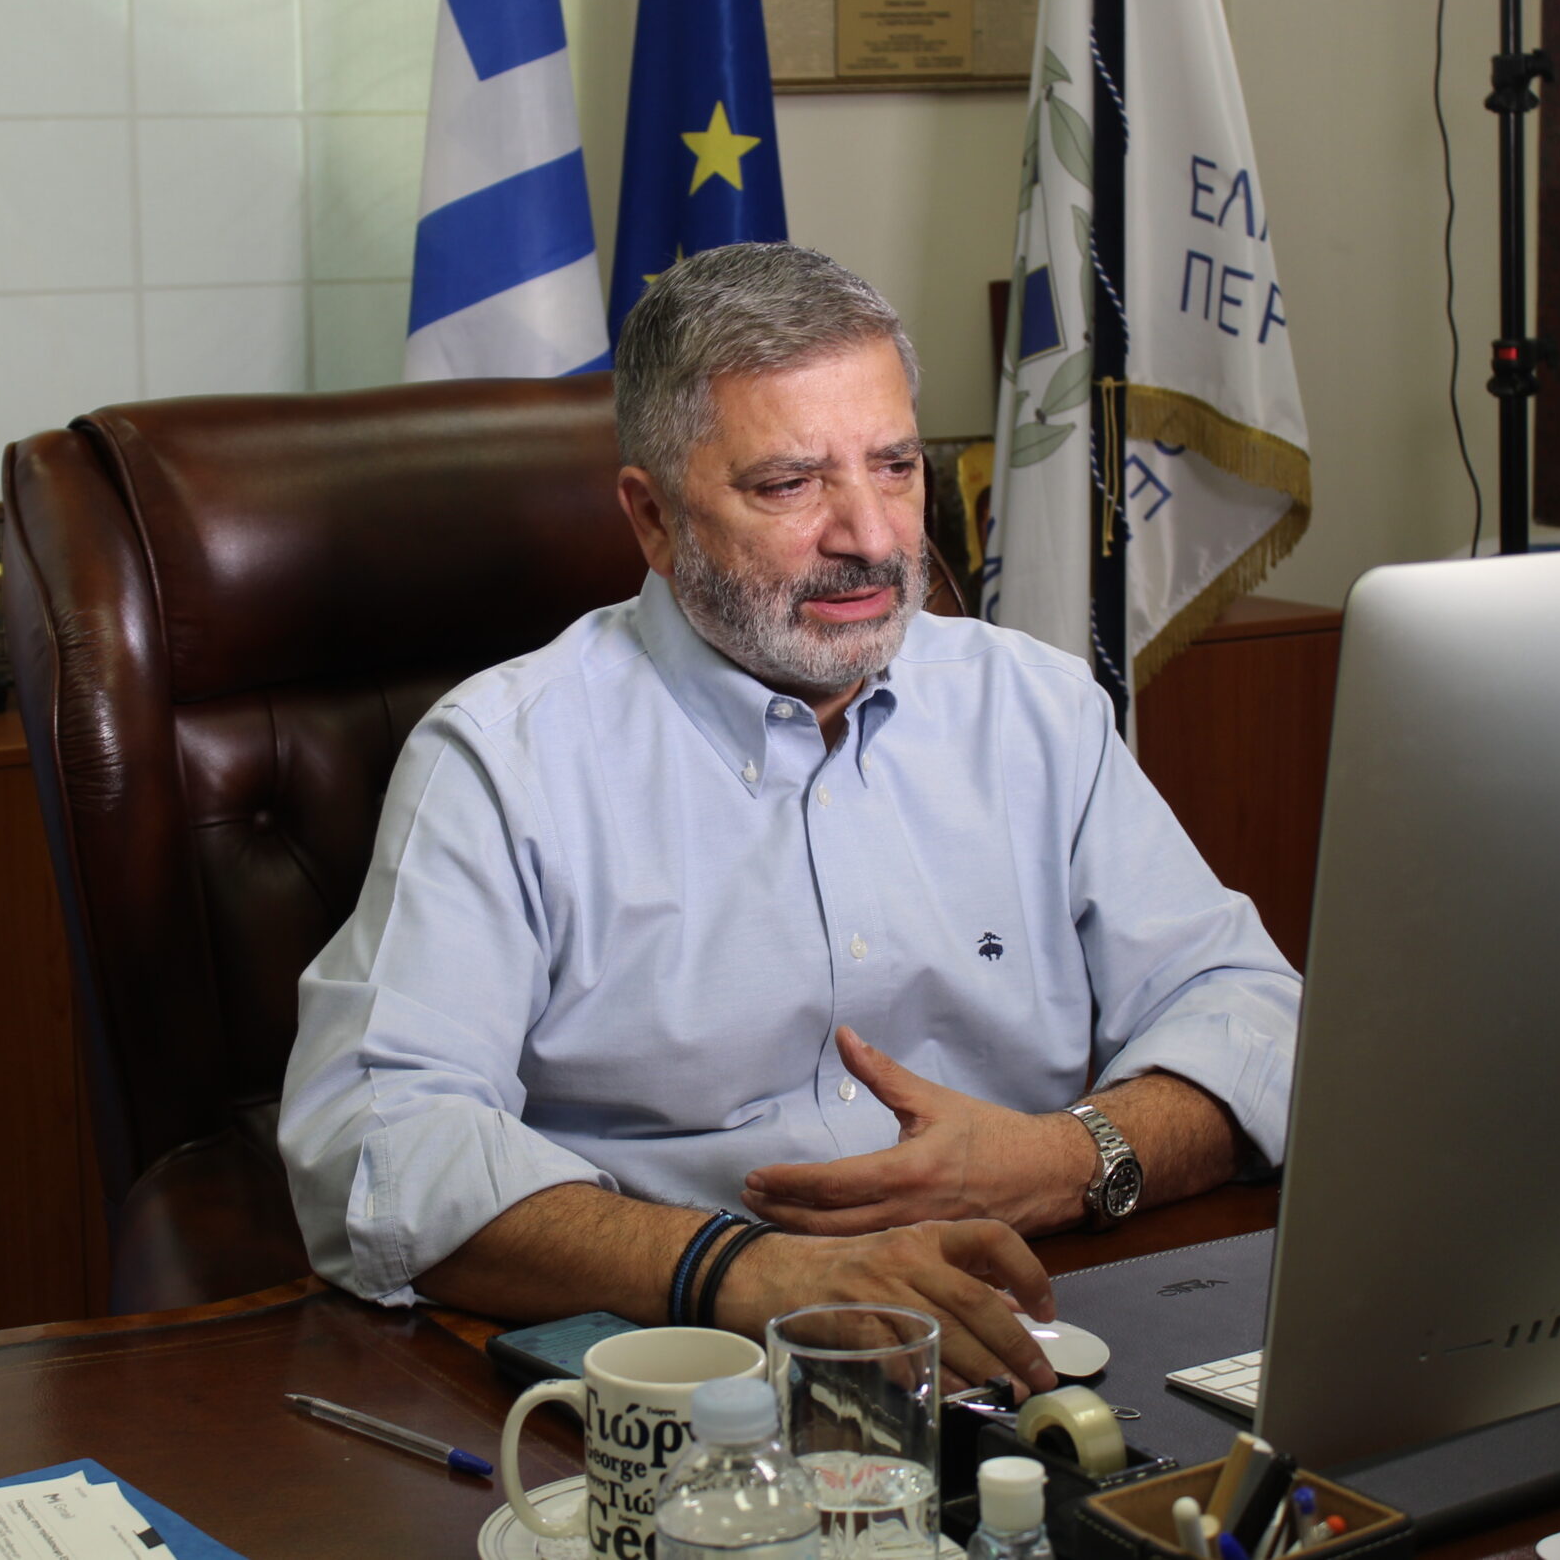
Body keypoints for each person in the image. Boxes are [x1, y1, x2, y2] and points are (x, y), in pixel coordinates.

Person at [278, 244, 1300, 1392]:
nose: (872, 537)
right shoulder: (508, 758)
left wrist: (1070, 1158)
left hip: (1039, 1311)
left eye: (896, 467)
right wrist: (743, 1269)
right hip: (691, 1363)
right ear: (653, 517)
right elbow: (376, 1143)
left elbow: (1255, 1014)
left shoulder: (1033, 709)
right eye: (789, 485)